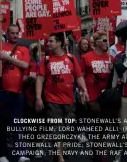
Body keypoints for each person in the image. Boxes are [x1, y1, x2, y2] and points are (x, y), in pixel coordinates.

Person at [35, 32, 89, 162]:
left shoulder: (71, 58)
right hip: (52, 101)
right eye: (48, 41)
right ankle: (60, 158)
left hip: (69, 100)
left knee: (68, 130)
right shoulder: (45, 60)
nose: (48, 43)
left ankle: (60, 153)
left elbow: (78, 76)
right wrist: (38, 97)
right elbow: (40, 79)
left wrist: (85, 90)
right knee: (57, 130)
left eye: (51, 41)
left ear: (59, 43)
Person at [0, 15, 30, 162]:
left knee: (18, 124)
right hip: (1, 92)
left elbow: (25, 65)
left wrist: (7, 58)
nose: (15, 35)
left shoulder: (23, 49)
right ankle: (2, 153)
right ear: (6, 33)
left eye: (17, 33)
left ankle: (21, 153)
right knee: (1, 125)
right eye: (12, 32)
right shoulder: (0, 46)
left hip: (17, 92)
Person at [81, 31, 114, 162]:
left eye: (107, 40)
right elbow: (81, 75)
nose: (107, 42)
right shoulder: (87, 57)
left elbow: (114, 79)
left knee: (103, 125)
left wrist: (112, 69)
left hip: (105, 97)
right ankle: (100, 151)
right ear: (97, 43)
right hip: (92, 95)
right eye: (105, 40)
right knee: (97, 122)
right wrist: (83, 91)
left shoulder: (110, 57)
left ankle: (96, 149)